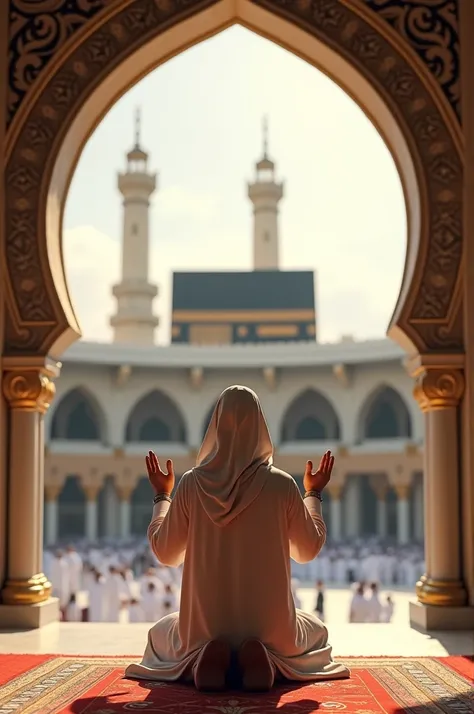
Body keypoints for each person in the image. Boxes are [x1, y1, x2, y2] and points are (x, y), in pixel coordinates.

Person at [125, 385, 349, 691]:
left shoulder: (191, 484)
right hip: (272, 630)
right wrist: (314, 493)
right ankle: (265, 657)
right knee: (316, 632)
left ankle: (205, 653)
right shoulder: (281, 485)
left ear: (216, 427)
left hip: (203, 629)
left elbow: (166, 553)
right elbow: (308, 549)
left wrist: (162, 496)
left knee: (160, 633)